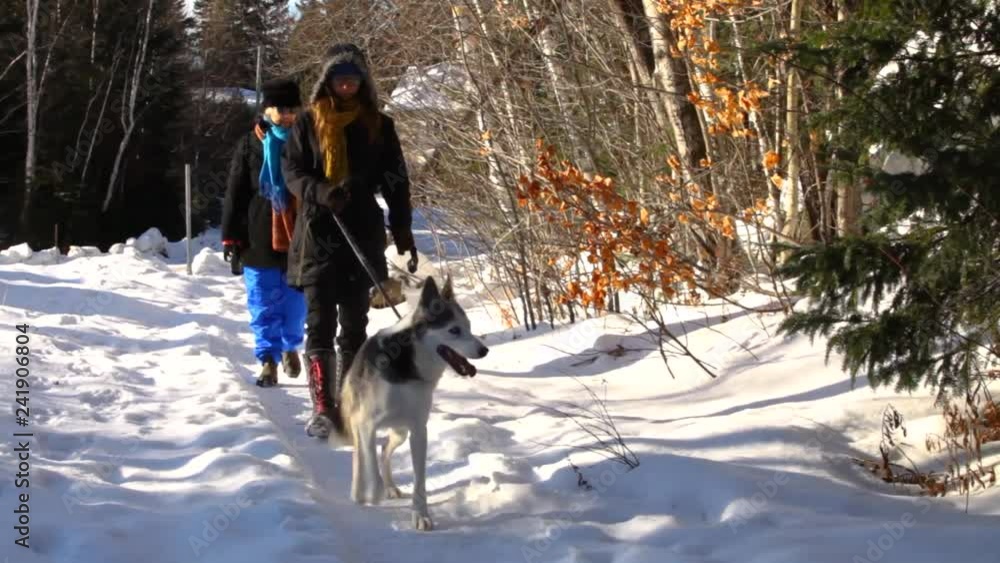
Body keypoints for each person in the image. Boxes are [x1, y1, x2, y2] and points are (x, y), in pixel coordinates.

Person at [282, 43, 415, 438]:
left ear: (364, 82)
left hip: (362, 230)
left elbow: (396, 179)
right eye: (340, 77)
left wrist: (402, 226)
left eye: (354, 77)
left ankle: (352, 401)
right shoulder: (307, 123)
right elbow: (292, 171)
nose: (346, 84)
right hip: (318, 232)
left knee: (355, 323)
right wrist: (320, 192)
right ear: (327, 80)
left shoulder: (379, 125)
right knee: (319, 322)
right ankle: (324, 408)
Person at [222, 78, 308, 387]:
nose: (286, 115)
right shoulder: (249, 144)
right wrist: (230, 236)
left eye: (291, 109)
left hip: (300, 232)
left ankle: (290, 346)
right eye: (279, 109)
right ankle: (268, 359)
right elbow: (235, 191)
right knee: (261, 299)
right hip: (257, 231)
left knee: (296, 301)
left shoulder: (308, 140)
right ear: (266, 110)